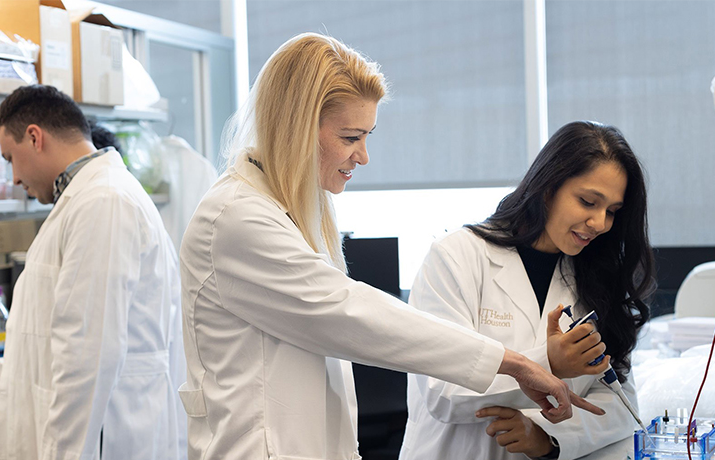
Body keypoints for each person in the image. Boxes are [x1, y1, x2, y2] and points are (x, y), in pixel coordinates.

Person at [177, 33, 604, 460]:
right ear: (295, 127)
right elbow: (349, 312)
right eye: (350, 137)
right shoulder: (236, 219)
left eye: (367, 135)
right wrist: (514, 362)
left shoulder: (292, 211)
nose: (363, 156)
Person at [399, 121, 656, 460]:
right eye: (588, 202)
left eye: (611, 211)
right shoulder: (456, 257)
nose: (600, 223)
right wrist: (548, 364)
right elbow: (441, 390)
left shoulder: (594, 278)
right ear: (548, 187)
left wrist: (548, 438)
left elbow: (620, 404)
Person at [0, 85, 184, 460]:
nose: (14, 179)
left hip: (103, 440)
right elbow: (49, 342)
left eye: (10, 158)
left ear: (35, 137)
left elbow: (87, 359)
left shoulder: (104, 202)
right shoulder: (87, 199)